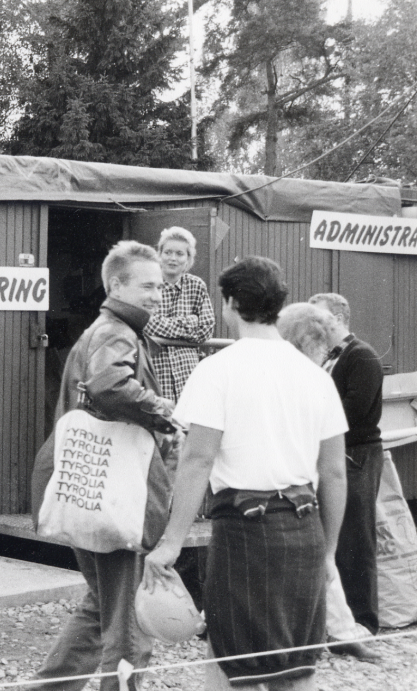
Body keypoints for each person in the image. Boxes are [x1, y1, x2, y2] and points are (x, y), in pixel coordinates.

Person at [144, 257, 347, 691]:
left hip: (244, 529)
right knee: (295, 666)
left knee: (228, 657)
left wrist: (172, 542)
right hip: (305, 528)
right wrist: (328, 552)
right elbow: (333, 473)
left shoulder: (217, 369)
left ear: (231, 303)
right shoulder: (315, 376)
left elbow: (197, 461)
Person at [30, 240, 176, 691]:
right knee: (128, 622)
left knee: (103, 607)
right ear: (116, 283)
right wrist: (165, 412)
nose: (157, 294)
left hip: (84, 485)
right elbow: (111, 383)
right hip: (117, 493)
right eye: (147, 286)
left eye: (160, 286)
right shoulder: (118, 331)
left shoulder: (103, 327)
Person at [277, 303, 381, 662]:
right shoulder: (307, 371)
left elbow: (348, 414)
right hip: (306, 467)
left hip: (335, 461)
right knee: (319, 550)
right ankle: (336, 628)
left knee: (342, 545)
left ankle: (352, 624)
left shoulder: (356, 359)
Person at [309, 293, 385, 643]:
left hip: (356, 456)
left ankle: (364, 622)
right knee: (331, 539)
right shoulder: (325, 357)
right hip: (332, 455)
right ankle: (334, 621)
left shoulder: (363, 356)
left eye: (319, 317)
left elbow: (353, 411)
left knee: (357, 538)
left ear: (338, 318)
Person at [145, 226, 215, 403]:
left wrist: (162, 325)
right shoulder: (148, 283)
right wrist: (191, 321)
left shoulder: (196, 285)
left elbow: (206, 329)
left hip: (187, 376)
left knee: (186, 427)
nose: (173, 258)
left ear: (188, 258)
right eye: (168, 252)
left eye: (179, 253)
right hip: (155, 374)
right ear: (159, 255)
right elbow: (146, 323)